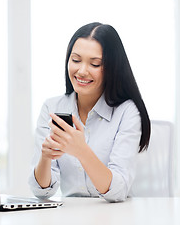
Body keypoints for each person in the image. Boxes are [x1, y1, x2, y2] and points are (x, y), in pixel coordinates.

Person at [28, 22, 151, 202]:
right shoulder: (52, 108)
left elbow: (118, 191)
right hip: (70, 215)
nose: (82, 71)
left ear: (112, 68)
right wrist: (45, 158)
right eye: (76, 60)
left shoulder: (127, 112)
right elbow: (42, 192)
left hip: (115, 216)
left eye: (95, 64)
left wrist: (81, 150)